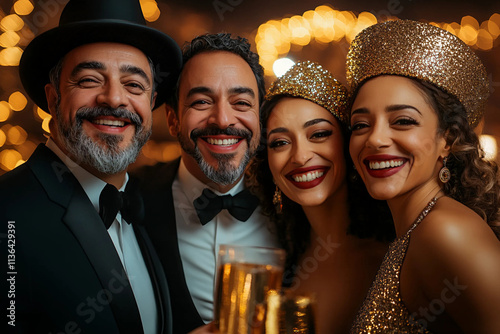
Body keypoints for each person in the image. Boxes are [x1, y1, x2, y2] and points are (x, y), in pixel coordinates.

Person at [0, 0, 182, 333]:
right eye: (89, 80)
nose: (114, 99)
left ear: (151, 103)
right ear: (53, 99)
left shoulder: (143, 211)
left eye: (134, 85)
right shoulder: (6, 213)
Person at [347, 19, 500, 333]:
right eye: (360, 124)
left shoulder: (446, 230)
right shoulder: (411, 231)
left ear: (448, 140)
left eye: (402, 121)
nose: (374, 139)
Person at [135, 33, 280, 333]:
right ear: (173, 119)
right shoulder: (129, 201)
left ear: (260, 119)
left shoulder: (293, 207)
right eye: (202, 101)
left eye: (241, 102)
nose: (223, 119)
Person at [246, 61, 394, 333]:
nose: (300, 156)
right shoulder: (282, 255)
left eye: (319, 134)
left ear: (348, 142)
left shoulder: (392, 258)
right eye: (280, 142)